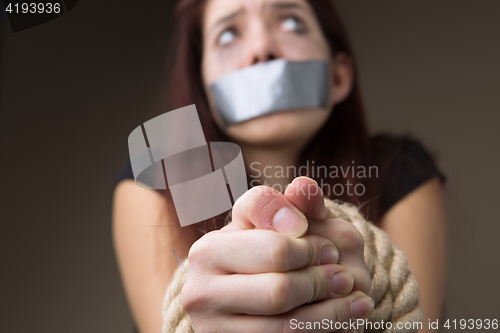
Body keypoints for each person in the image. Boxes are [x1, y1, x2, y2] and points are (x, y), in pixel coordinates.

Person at [112, 0, 447, 332]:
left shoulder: (399, 169)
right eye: (228, 34)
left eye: (290, 23)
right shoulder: (156, 177)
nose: (261, 49)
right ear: (205, 91)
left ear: (338, 76)